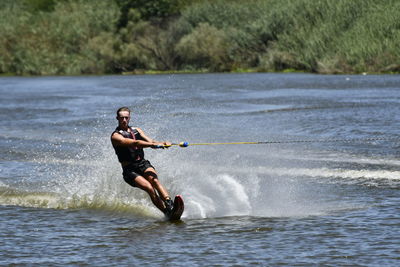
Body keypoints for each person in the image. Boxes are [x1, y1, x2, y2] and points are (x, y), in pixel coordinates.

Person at [111, 107, 174, 216]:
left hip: (143, 163)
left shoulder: (137, 130)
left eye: (126, 117)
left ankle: (170, 204)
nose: (124, 120)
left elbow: (152, 142)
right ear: (117, 118)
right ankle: (166, 212)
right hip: (129, 170)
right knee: (149, 188)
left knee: (154, 181)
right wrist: (152, 145)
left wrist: (163, 143)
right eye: (122, 118)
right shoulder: (116, 136)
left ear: (129, 118)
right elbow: (135, 143)